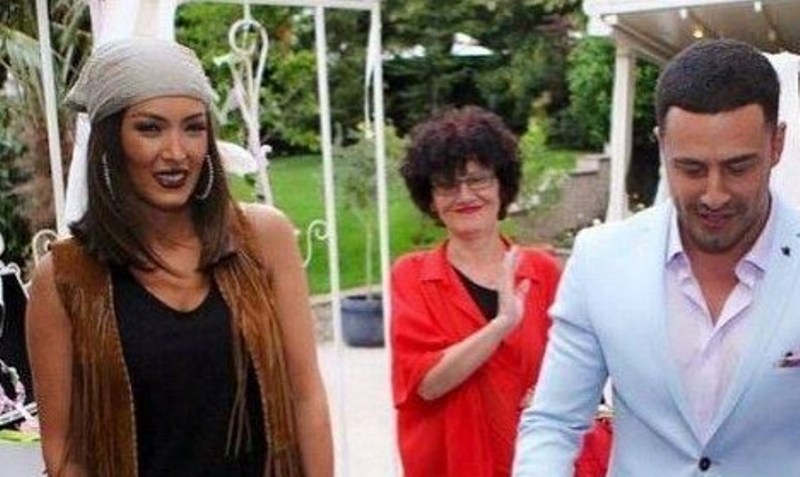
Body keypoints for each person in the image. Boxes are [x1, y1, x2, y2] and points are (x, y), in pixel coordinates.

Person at [25, 37, 333, 477]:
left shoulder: (265, 238)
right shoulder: (64, 278)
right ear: (111, 141)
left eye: (193, 127)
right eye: (150, 128)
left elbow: (307, 397)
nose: (176, 152)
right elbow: (64, 452)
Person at [513, 38, 800, 476]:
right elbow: (553, 422)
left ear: (776, 144)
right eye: (691, 168)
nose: (714, 194)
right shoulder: (600, 261)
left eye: (738, 167)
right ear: (662, 145)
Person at [391, 106, 611, 477]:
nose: (465, 195)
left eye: (478, 180)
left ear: (501, 185)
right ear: (430, 199)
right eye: (447, 184)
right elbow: (425, 384)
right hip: (450, 466)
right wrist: (501, 325)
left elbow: (579, 377)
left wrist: (553, 396)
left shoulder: (543, 272)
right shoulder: (412, 276)